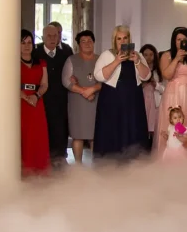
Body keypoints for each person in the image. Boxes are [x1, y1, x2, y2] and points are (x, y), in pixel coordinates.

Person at [93, 25, 151, 160]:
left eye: (125, 38)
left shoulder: (137, 55)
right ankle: (110, 162)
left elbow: (146, 76)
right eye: (119, 39)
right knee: (112, 130)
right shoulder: (107, 55)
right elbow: (99, 76)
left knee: (133, 128)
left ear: (129, 39)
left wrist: (137, 61)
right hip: (112, 98)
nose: (122, 41)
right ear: (114, 40)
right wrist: (116, 61)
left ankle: (134, 161)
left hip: (133, 99)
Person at [156, 27, 187, 154]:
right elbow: (166, 75)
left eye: (184, 40)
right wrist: (176, 59)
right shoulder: (167, 55)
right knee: (174, 121)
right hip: (174, 94)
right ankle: (171, 153)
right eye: (178, 39)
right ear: (174, 41)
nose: (181, 42)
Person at [34, 22, 72, 165]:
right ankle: (43, 158)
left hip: (61, 99)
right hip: (41, 98)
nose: (52, 38)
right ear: (43, 37)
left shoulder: (65, 53)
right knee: (43, 128)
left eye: (55, 35)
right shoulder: (36, 52)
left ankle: (60, 157)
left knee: (60, 128)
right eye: (49, 36)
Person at [62, 30, 101, 165]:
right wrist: (84, 91)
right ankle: (78, 165)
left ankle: (95, 165)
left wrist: (92, 90)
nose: (87, 44)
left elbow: (106, 79)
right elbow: (66, 81)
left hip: (97, 101)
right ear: (78, 44)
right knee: (77, 135)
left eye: (89, 41)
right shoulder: (71, 60)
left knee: (95, 135)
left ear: (94, 42)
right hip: (77, 102)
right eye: (83, 41)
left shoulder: (100, 59)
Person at [20, 29, 50, 176]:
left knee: (38, 136)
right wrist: (26, 97)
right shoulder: (12, 62)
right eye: (23, 43)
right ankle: (23, 170)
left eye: (29, 42)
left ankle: (39, 169)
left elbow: (44, 84)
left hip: (37, 102)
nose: (27, 46)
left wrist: (36, 96)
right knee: (23, 135)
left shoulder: (41, 62)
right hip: (20, 103)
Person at [140, 43, 165, 150]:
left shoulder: (159, 71)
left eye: (151, 55)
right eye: (145, 55)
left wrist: (156, 84)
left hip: (155, 103)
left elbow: (165, 89)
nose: (148, 58)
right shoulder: (138, 70)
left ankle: (153, 149)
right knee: (143, 126)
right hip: (143, 101)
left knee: (154, 127)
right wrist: (144, 83)